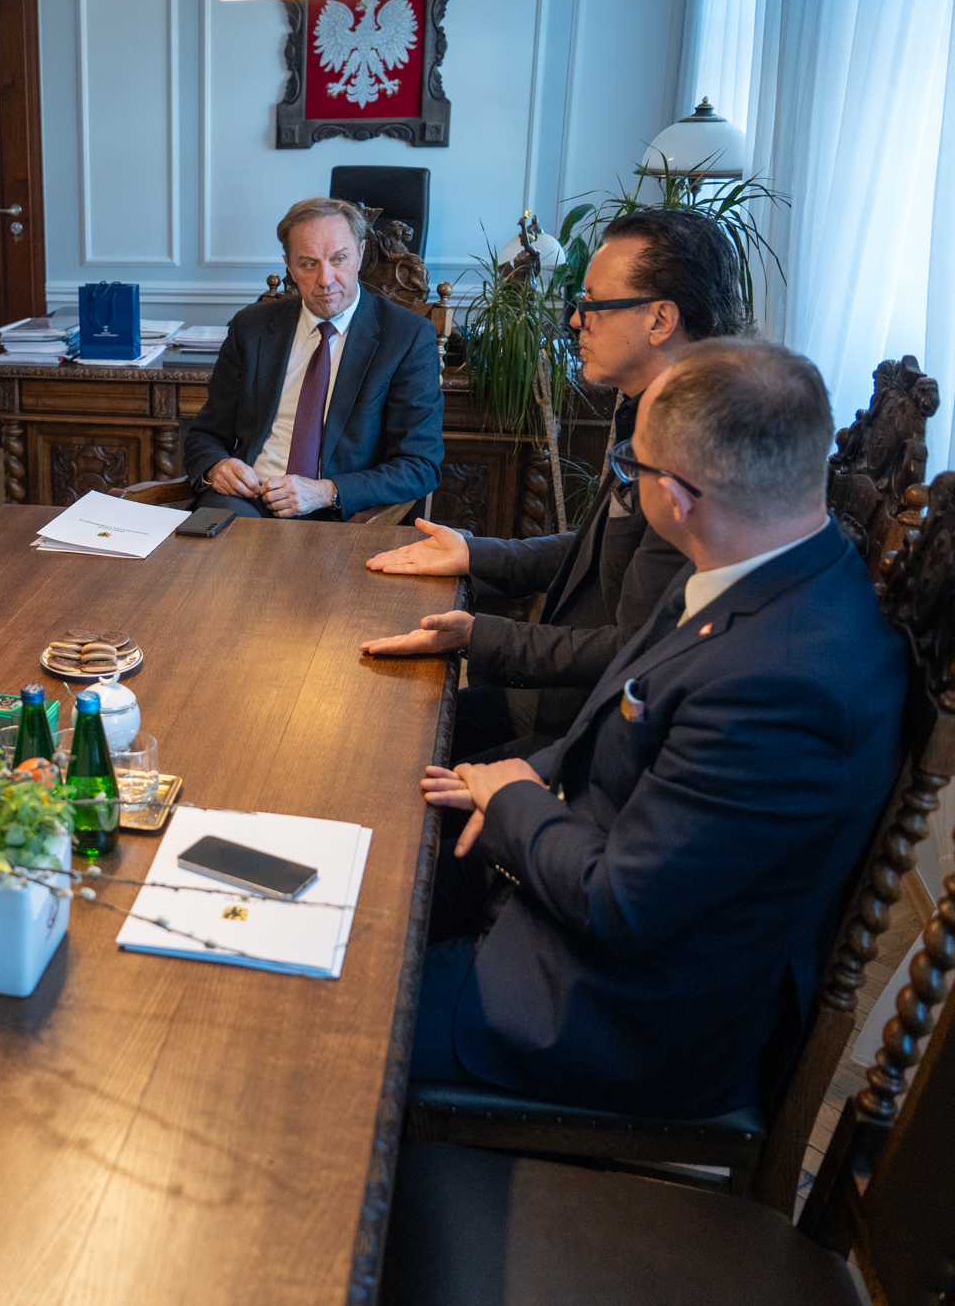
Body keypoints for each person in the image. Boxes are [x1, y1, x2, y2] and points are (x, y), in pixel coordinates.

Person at [404, 339, 905, 1119]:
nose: (626, 482)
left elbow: (619, 906)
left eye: (630, 468)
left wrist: (511, 798)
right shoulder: (758, 559)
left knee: (333, 1008)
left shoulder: (783, 688)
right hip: (571, 882)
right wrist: (529, 776)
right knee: (380, 854)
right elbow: (621, 708)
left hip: (609, 1013)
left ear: (677, 495)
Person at [361, 209, 749, 761]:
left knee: (385, 767)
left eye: (592, 303)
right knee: (375, 730)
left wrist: (476, 634)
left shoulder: (699, 452)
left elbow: (636, 647)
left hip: (591, 734)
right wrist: (473, 552)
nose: (574, 319)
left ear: (661, 320)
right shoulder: (653, 411)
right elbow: (597, 548)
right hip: (555, 699)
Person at [183, 197, 442, 520]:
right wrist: (216, 466)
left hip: (339, 513)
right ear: (289, 266)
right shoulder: (251, 328)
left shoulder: (406, 336)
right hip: (248, 502)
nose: (325, 279)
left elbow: (420, 465)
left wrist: (327, 492)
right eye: (308, 264)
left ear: (360, 254)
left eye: (339, 259)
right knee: (217, 545)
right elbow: (205, 435)